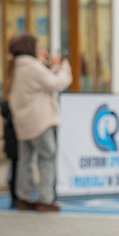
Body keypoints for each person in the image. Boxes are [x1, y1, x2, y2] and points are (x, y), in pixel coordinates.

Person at [8, 34, 72, 212]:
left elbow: (44, 81)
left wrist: (54, 67)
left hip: (23, 122)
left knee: (25, 161)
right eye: (38, 46)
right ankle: (45, 199)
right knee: (47, 157)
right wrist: (64, 68)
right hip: (40, 121)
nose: (40, 49)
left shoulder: (16, 66)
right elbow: (56, 84)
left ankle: (25, 197)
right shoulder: (32, 67)